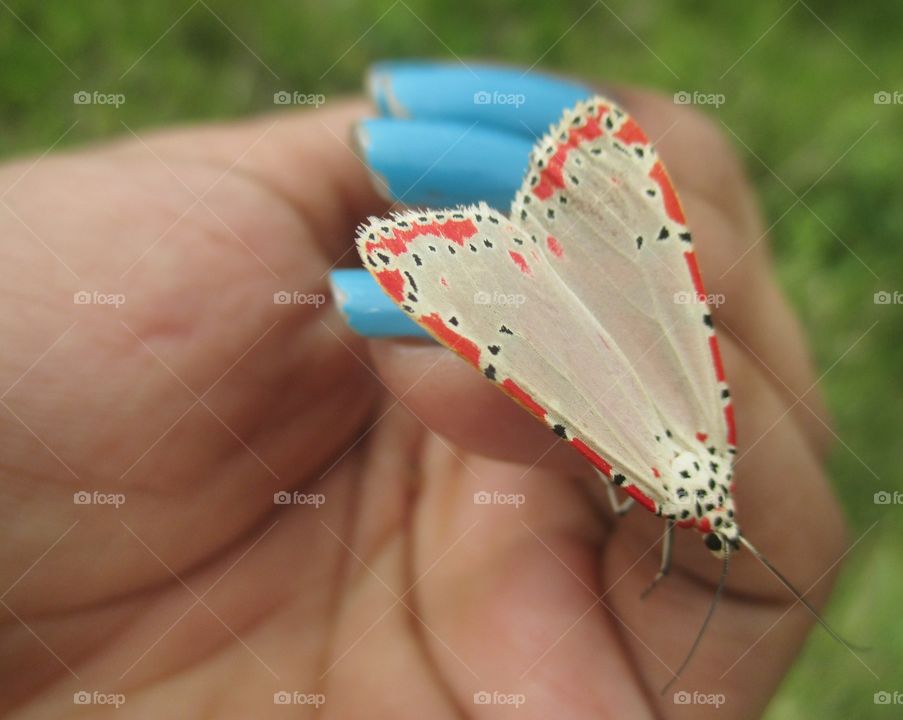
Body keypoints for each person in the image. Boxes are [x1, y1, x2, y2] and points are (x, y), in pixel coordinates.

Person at [0, 61, 846, 718]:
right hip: (606, 390)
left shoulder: (700, 454)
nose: (715, 528)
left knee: (650, 334)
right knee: (648, 345)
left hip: (592, 372)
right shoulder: (675, 484)